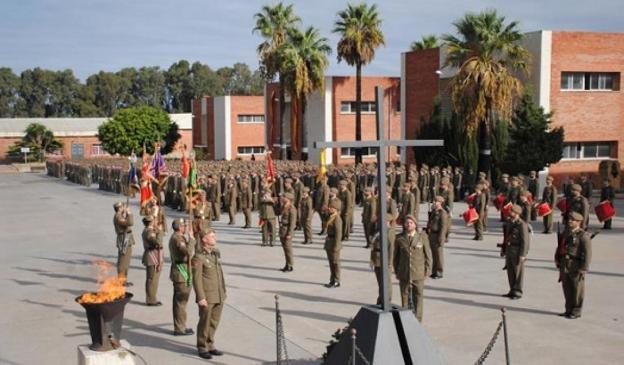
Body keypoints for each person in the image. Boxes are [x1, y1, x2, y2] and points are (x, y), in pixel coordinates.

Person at [192, 229, 226, 359]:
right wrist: (200, 297)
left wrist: (223, 292)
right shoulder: (199, 257)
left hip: (219, 294)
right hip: (207, 296)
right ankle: (202, 346)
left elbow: (219, 274)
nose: (214, 237)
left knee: (214, 321)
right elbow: (197, 279)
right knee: (204, 322)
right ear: (204, 240)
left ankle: (210, 344)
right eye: (211, 236)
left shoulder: (215, 254)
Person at [393, 214, 432, 322]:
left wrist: (428, 270)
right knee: (404, 297)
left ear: (415, 224)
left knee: (418, 297)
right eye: (407, 223)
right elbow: (396, 257)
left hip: (418, 273)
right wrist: (397, 270)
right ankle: (405, 319)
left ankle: (418, 320)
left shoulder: (422, 237)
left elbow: (428, 254)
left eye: (411, 223)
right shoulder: (399, 238)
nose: (409, 225)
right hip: (404, 273)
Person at [556, 212, 592, 319]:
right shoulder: (566, 233)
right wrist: (557, 259)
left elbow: (587, 253)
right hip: (565, 263)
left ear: (579, 222)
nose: (570, 221)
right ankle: (568, 309)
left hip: (576, 264)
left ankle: (576, 311)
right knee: (566, 287)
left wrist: (584, 268)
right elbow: (560, 247)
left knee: (577, 289)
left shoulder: (583, 235)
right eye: (569, 220)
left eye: (573, 220)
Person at [169, 218, 195, 336]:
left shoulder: (177, 237)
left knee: (179, 302)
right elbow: (188, 253)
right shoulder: (178, 239)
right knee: (181, 302)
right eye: (184, 226)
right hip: (181, 272)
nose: (186, 227)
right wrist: (192, 240)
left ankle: (180, 325)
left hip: (180, 270)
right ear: (179, 227)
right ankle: (179, 328)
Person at [501, 205, 530, 300]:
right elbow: (506, 237)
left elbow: (525, 241)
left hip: (517, 250)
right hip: (509, 249)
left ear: (517, 213)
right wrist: (504, 249)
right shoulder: (509, 222)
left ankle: (517, 291)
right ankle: (512, 290)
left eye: (512, 211)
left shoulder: (522, 224)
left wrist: (523, 254)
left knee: (518, 272)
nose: (510, 212)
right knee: (510, 272)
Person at [370, 213, 395, 305]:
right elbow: (371, 240)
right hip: (377, 259)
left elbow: (391, 248)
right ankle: (381, 299)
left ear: (388, 222)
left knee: (386, 283)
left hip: (384, 259)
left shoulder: (389, 232)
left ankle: (386, 300)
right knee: (380, 282)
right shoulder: (378, 231)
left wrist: (389, 262)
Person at [141, 215, 164, 306]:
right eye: (154, 221)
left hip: (154, 255)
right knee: (152, 279)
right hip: (152, 256)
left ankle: (153, 298)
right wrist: (160, 232)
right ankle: (150, 299)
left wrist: (158, 230)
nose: (155, 222)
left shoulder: (150, 230)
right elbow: (157, 243)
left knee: (154, 279)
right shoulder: (149, 232)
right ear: (151, 222)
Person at [113, 202, 135, 286]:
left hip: (126, 237)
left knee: (126, 261)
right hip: (123, 239)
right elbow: (130, 223)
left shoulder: (120, 215)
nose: (124, 208)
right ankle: (121, 280)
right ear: (119, 208)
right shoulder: (118, 217)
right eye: (122, 207)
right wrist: (129, 213)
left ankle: (124, 280)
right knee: (123, 262)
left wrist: (126, 214)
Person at [428, 196, 449, 279]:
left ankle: (439, 272)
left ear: (440, 203)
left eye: (436, 201)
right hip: (432, 235)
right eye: (434, 201)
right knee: (434, 254)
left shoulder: (442, 213)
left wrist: (441, 238)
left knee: (439, 255)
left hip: (438, 235)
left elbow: (444, 227)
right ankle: (434, 271)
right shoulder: (434, 211)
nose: (434, 203)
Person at [324, 198, 343, 288]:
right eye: (330, 207)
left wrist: (336, 246)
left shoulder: (337, 219)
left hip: (334, 243)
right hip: (329, 242)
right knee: (331, 263)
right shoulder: (331, 216)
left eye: (332, 207)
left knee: (335, 263)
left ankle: (337, 280)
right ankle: (332, 279)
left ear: (336, 209)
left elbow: (338, 235)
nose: (330, 208)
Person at [279, 193, 297, 272]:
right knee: (285, 249)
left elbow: (292, 223)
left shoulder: (292, 209)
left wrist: (290, 233)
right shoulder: (284, 206)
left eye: (284, 197)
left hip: (287, 230)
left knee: (288, 249)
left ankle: (290, 265)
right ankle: (287, 264)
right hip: (282, 228)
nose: (282, 198)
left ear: (288, 199)